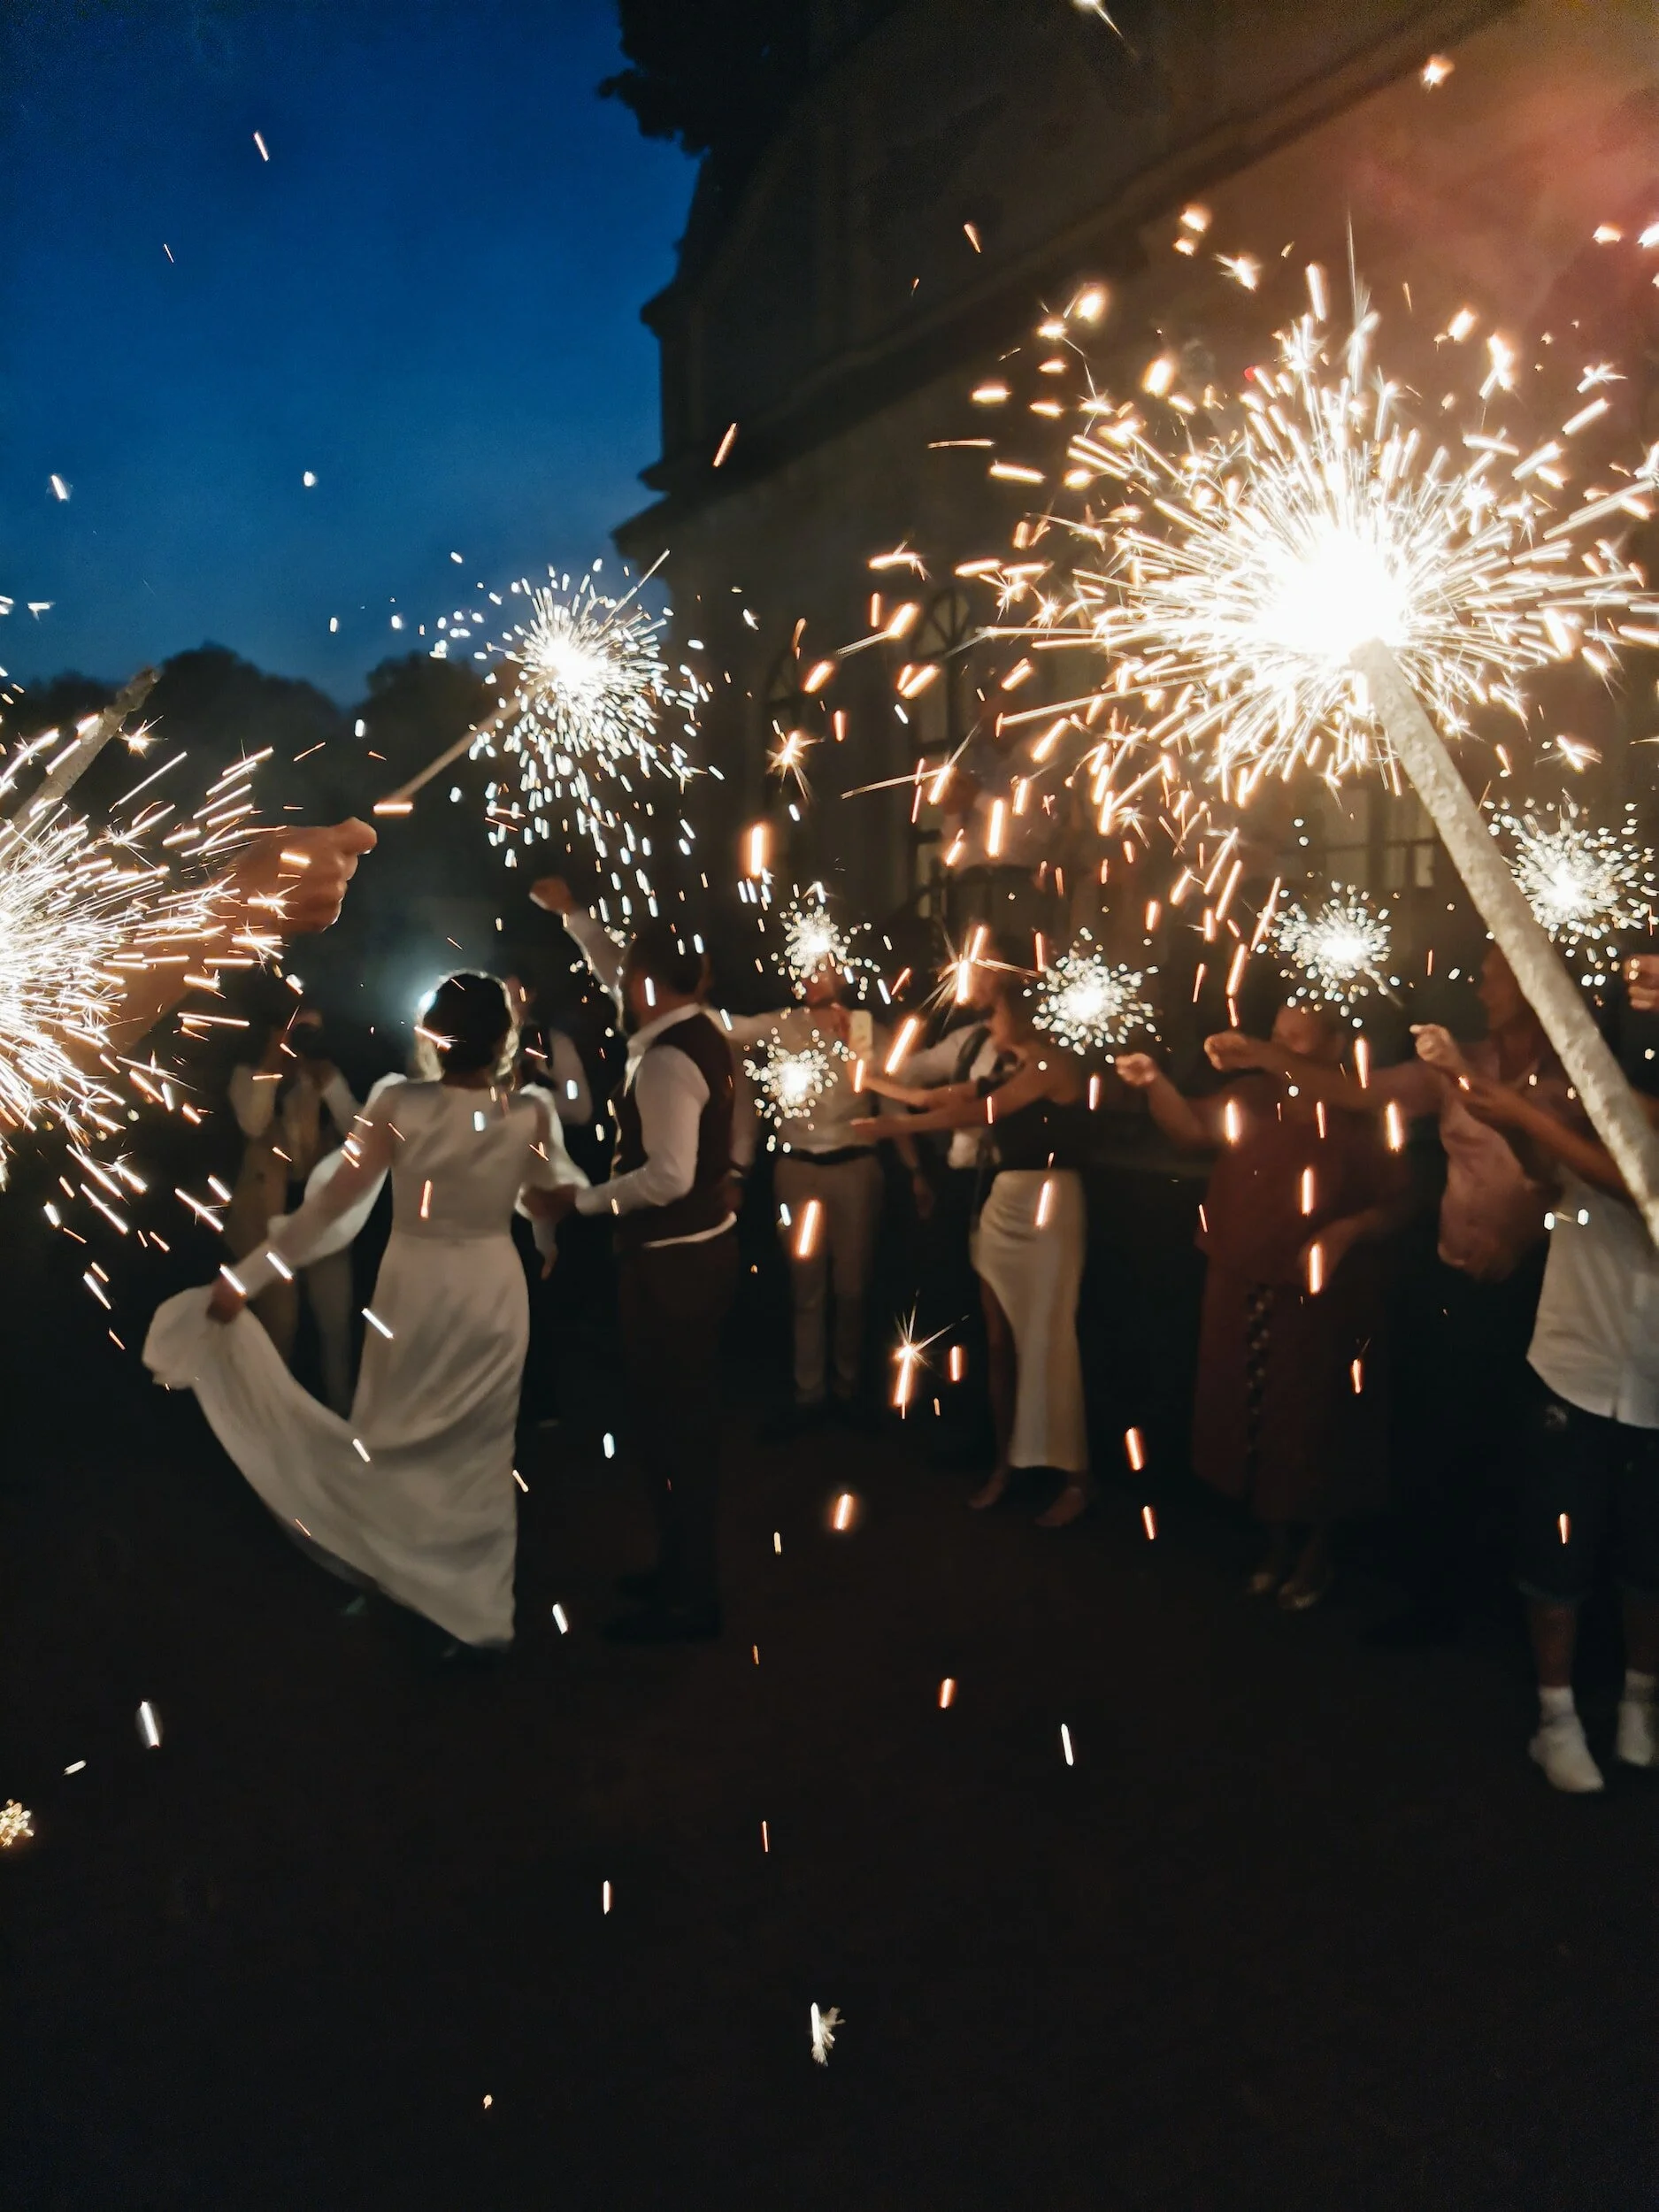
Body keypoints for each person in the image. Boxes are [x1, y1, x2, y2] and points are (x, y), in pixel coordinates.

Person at [143, 972, 588, 1652]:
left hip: (414, 1286)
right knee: (479, 1450)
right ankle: (471, 1612)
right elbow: (549, 1195)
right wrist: (550, 1235)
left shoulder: (395, 1103)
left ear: (433, 1038)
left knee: (392, 1436)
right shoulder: (526, 1112)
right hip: (491, 1290)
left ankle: (398, 1580)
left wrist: (249, 1272)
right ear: (502, 1040)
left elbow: (328, 1209)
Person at [1207, 944, 1573, 1640]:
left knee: (1529, 1454)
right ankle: (1436, 1604)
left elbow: (1588, 1184)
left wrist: (1531, 1238)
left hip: (1543, 1283)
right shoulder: (1456, 1061)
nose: (1481, 983)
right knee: (1442, 1439)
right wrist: (1262, 1053)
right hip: (1452, 1279)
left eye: (1495, 973)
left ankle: (1519, 1617)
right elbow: (1359, 1093)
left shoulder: (1574, 1073)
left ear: (1534, 986)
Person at [1118, 999, 1411, 1608]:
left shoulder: (1358, 1114)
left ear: (1333, 1048)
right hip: (1242, 1283)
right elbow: (1190, 1130)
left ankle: (1316, 1551)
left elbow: (1400, 1204)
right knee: (1253, 1421)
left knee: (1317, 1424)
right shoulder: (1253, 1098)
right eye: (1272, 1036)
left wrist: (1344, 1231)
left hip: (1322, 1300)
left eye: (1293, 1041)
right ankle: (1275, 1542)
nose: (1272, 1050)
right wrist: (1154, 1082)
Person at [1447, 965, 1659, 1792]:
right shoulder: (1594, 1101)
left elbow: (1641, 1189)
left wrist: (1539, 1111)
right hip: (1569, 1357)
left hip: (1651, 1370)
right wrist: (1528, 1122)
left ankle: (1639, 1705)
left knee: (1647, 1554)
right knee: (1555, 1550)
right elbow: (1556, 1176)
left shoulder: (1618, 1108)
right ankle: (1558, 1716)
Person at [531, 894, 740, 1643]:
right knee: (674, 1427)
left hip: (673, 1273)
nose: (616, 986)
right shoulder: (699, 1024)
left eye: (627, 978)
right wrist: (577, 919)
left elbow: (669, 1176)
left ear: (648, 985)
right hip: (697, 1256)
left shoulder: (665, 1060)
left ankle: (689, 1597)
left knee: (673, 1429)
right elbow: (625, 965)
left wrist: (579, 1202)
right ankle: (681, 1572)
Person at [856, 975, 1092, 1527]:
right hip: (1004, 1207)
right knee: (998, 1341)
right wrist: (876, 1082)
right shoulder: (1006, 1068)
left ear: (1025, 1017)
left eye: (999, 1015)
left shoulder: (1053, 1066)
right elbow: (938, 1096)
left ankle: (1078, 1478)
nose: (990, 1024)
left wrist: (892, 1124)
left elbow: (978, 1114)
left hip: (1050, 1207)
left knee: (1051, 1342)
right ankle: (1007, 1465)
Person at [227, 1003, 360, 1413]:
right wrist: (274, 1058)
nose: (304, 1043)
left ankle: (343, 1420)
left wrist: (332, 1084)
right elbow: (253, 1121)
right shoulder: (247, 1075)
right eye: (298, 1031)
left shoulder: (320, 1076)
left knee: (336, 1325)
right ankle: (268, 1422)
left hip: (319, 1218)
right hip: (265, 1219)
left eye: (312, 1034)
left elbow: (360, 1132)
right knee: (277, 1329)